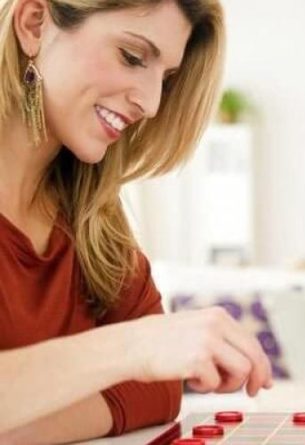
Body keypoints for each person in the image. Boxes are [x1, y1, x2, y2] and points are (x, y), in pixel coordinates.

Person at [0, 0, 273, 442]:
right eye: (131, 57)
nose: (150, 103)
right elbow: (146, 361)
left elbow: (158, 390)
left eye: (165, 78)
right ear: (34, 24)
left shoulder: (94, 220)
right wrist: (134, 347)